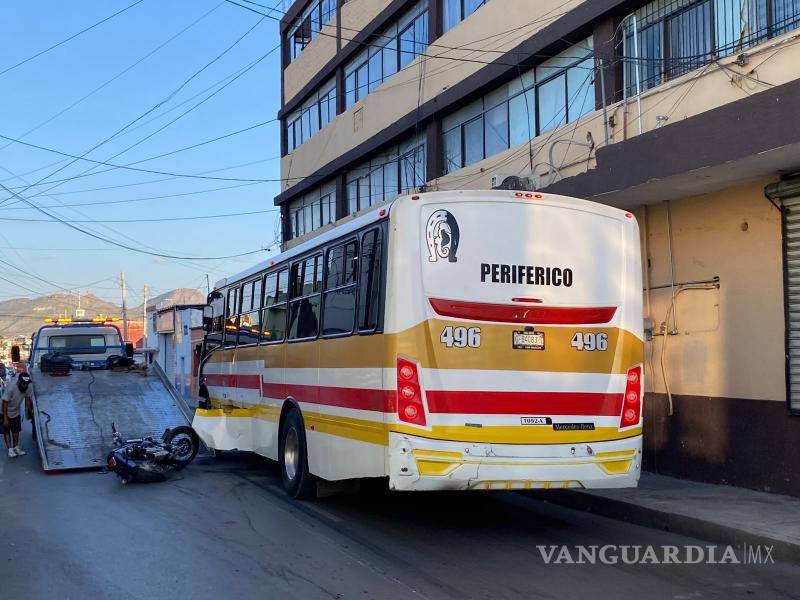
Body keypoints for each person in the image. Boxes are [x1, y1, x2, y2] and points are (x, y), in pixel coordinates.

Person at [2, 372, 33, 458]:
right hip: (4, 411)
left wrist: (31, 412)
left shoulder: (28, 386)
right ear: (19, 382)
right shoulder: (11, 387)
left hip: (16, 411)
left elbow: (27, 400)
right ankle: (10, 450)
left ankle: (16, 447)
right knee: (7, 431)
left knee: (16, 430)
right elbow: (4, 403)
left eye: (26, 384)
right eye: (23, 383)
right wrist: (5, 418)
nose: (25, 386)